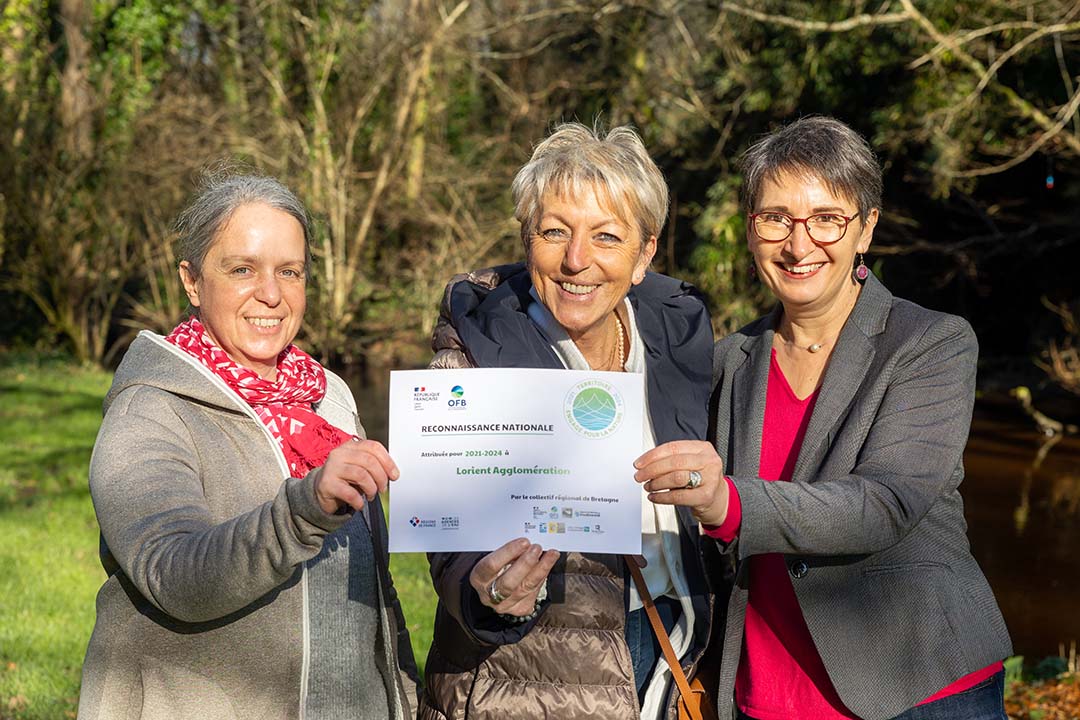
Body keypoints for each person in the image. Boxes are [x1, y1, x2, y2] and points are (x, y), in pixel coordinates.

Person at [634, 116, 1012, 720]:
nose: (799, 243)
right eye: (775, 217)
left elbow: (884, 503)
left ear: (866, 227)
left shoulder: (931, 344)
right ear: (751, 231)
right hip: (766, 689)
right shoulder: (732, 358)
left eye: (827, 219)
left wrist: (728, 503)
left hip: (914, 688)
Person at [77, 174, 418, 720]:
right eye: (242, 270)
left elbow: (374, 588)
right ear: (192, 281)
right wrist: (305, 509)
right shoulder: (151, 408)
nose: (272, 294)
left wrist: (405, 695)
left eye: (290, 271)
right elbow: (173, 574)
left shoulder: (330, 397)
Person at [417, 123, 726, 719]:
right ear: (526, 238)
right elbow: (446, 521)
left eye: (606, 237)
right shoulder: (479, 337)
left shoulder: (677, 335)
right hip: (531, 674)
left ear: (644, 254)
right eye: (554, 231)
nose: (577, 260)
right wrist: (488, 593)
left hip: (670, 650)